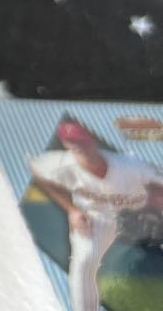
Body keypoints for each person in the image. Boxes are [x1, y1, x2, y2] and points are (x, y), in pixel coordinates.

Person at [30, 121, 163, 311]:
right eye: (71, 142)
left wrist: (154, 205)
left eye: (81, 141)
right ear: (66, 145)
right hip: (96, 217)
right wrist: (72, 209)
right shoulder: (59, 164)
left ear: (92, 140)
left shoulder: (130, 166)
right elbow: (38, 172)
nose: (78, 146)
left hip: (139, 213)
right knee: (84, 262)